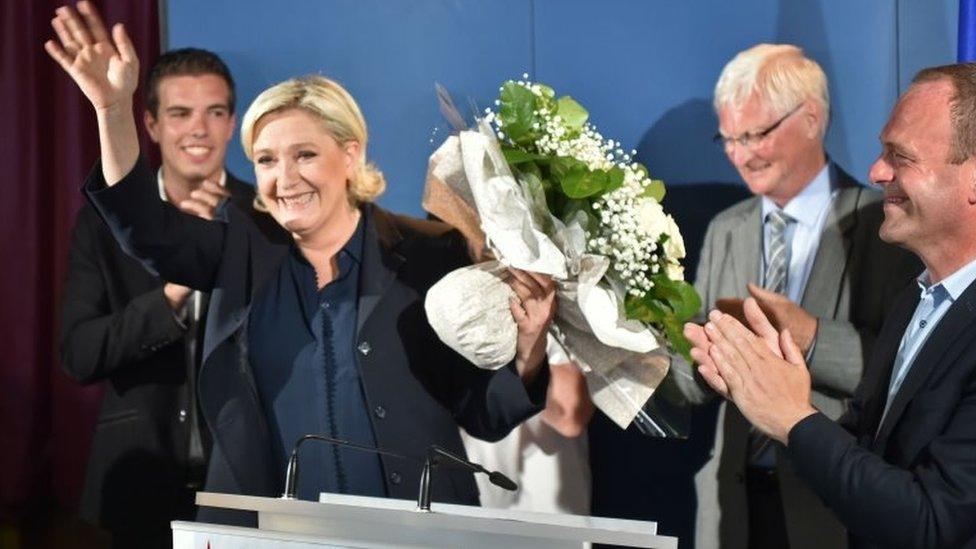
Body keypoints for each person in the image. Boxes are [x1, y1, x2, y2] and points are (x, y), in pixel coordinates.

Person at [46, 0, 554, 528]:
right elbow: (142, 226)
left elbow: (483, 413)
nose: (284, 178)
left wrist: (530, 352)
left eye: (305, 155)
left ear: (350, 153)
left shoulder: (430, 250)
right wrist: (111, 110)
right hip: (274, 532)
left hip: (414, 530)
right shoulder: (240, 247)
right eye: (266, 160)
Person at [688, 63, 976, 549]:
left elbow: (932, 521)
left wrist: (792, 416)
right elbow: (873, 449)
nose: (876, 171)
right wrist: (773, 386)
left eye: (900, 157)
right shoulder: (919, 298)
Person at [56, 25, 283, 548]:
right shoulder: (101, 225)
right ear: (152, 125)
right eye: (180, 114)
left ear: (233, 126)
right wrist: (173, 292)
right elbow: (79, 354)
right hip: (141, 489)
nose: (198, 130)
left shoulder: (268, 218)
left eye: (216, 113)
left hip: (251, 490)